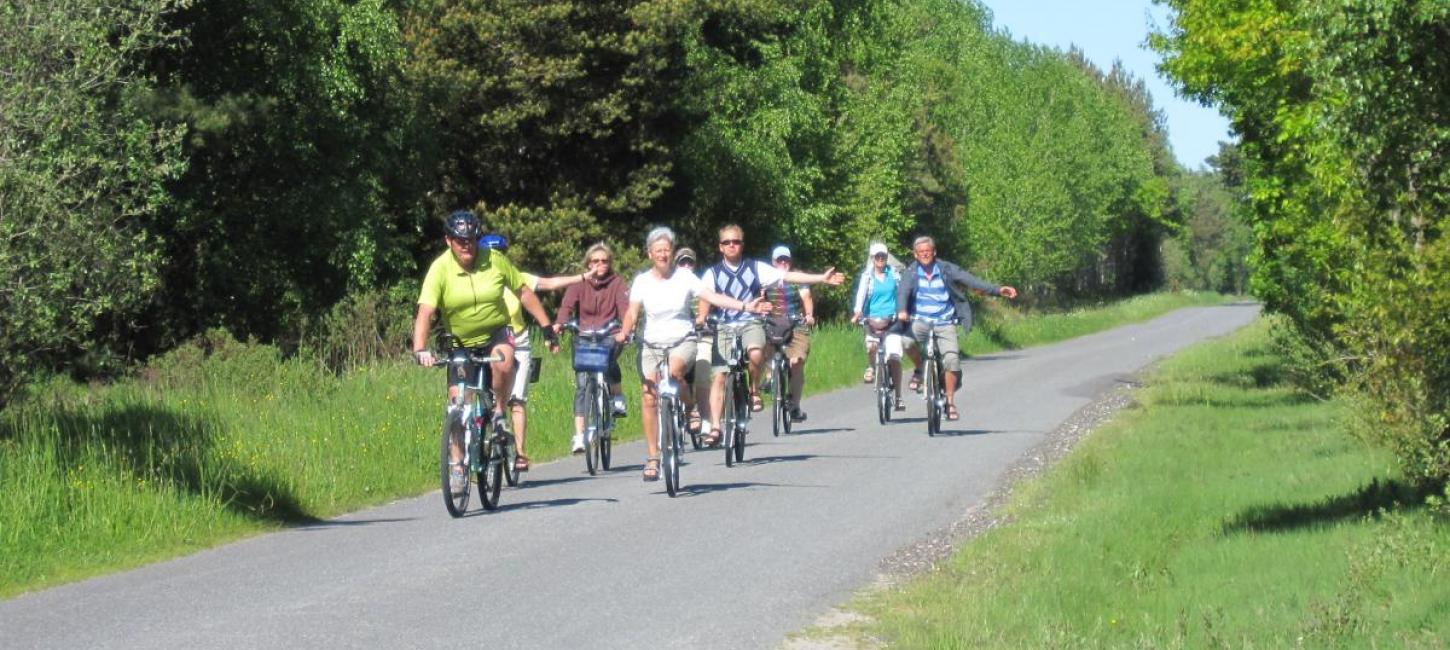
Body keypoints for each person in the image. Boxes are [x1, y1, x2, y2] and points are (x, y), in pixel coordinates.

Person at [412, 210, 559, 493]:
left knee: (504, 362)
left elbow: (523, 292)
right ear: (448, 241)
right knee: (457, 403)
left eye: (471, 240)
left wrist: (546, 325)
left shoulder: (495, 260)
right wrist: (420, 349)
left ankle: (500, 413)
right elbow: (426, 311)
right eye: (459, 240)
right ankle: (457, 466)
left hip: (495, 333)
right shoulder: (440, 269)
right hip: (460, 341)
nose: (466, 246)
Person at [617, 227, 767, 481]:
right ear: (649, 254)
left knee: (674, 373)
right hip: (651, 342)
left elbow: (712, 297)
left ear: (672, 253)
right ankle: (653, 457)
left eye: (667, 250)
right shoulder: (642, 281)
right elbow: (632, 312)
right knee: (649, 395)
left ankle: (690, 408)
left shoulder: (684, 277)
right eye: (658, 251)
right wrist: (625, 332)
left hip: (682, 339)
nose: (663, 255)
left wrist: (744, 305)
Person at [695, 224, 845, 447]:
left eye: (735, 241)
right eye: (727, 242)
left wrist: (820, 278)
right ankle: (716, 426)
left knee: (756, 353)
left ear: (741, 244)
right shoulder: (712, 273)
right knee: (719, 376)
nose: (731, 246)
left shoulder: (755, 268)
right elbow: (705, 296)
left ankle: (754, 390)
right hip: (725, 326)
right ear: (720, 247)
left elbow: (788, 275)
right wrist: (702, 318)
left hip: (751, 322)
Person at [479, 233, 582, 471]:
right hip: (489, 341)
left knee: (517, 399)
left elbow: (550, 283)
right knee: (488, 396)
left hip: (519, 341)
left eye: (500, 253)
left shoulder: (518, 277)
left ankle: (520, 453)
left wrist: (582, 277)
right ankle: (481, 443)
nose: (496, 258)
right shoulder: (482, 280)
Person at [895, 236, 1018, 421]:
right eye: (921, 252)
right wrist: (902, 310)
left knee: (952, 359)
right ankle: (920, 369)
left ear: (934, 252)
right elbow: (903, 291)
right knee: (905, 342)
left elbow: (970, 280)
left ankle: (950, 401)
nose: (925, 254)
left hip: (945, 322)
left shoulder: (946, 269)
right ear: (915, 255)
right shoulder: (911, 272)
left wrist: (997, 290)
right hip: (920, 320)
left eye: (928, 251)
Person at [554, 242, 630, 454]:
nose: (600, 265)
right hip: (584, 336)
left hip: (609, 334)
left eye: (604, 261)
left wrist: (625, 330)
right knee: (581, 386)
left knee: (609, 361)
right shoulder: (579, 284)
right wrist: (560, 323)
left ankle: (616, 396)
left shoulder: (617, 283)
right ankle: (579, 436)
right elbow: (567, 306)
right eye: (595, 261)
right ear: (588, 264)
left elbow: (625, 309)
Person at [850, 242, 920, 410]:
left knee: (894, 357)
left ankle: (898, 397)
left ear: (886, 257)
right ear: (872, 259)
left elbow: (902, 292)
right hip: (872, 319)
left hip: (892, 320)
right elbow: (861, 295)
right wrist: (858, 312)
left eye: (883, 256)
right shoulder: (867, 276)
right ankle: (872, 366)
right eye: (877, 257)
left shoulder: (894, 275)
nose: (880, 259)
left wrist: (905, 311)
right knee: (871, 347)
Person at [765, 245, 814, 422]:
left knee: (797, 361)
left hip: (795, 324)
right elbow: (757, 296)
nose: (783, 263)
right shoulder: (766, 279)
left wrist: (808, 315)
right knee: (759, 345)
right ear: (773, 262)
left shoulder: (797, 278)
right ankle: (769, 376)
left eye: (785, 260)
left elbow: (806, 298)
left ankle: (794, 405)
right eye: (779, 260)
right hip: (771, 323)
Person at [674, 246, 711, 437]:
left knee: (702, 375)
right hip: (679, 337)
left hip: (702, 335)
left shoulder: (701, 283)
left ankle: (705, 418)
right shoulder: (670, 286)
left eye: (689, 262)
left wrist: (701, 320)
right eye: (682, 262)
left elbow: (708, 304)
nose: (686, 266)